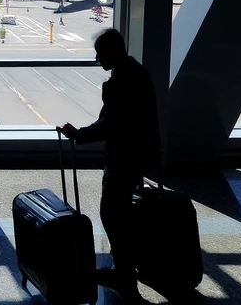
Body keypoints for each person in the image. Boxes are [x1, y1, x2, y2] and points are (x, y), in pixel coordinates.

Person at [58, 28, 160, 302]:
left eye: (100, 53)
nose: (97, 59)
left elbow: (110, 124)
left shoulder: (120, 82)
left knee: (112, 212)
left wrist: (78, 135)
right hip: (141, 153)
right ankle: (126, 266)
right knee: (120, 211)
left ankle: (123, 272)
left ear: (115, 50)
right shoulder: (137, 72)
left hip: (125, 156)